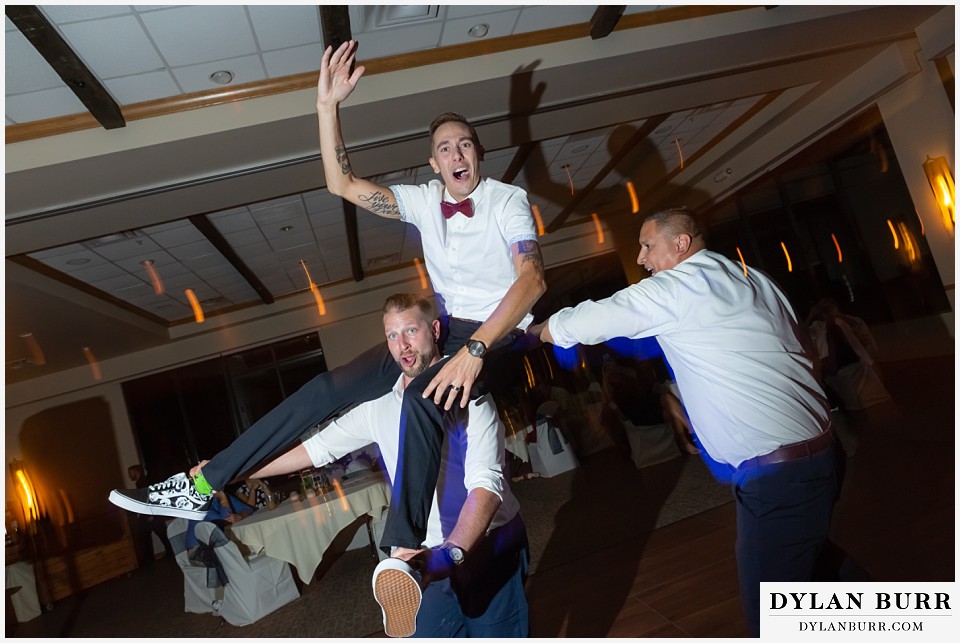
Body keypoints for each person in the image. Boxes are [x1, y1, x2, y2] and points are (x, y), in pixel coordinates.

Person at [109, 35, 543, 599]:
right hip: (450, 329)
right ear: (433, 163)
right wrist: (326, 106)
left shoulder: (505, 200)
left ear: (477, 155)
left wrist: (478, 350)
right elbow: (339, 182)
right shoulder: (421, 200)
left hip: (501, 335)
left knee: (418, 398)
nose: (456, 155)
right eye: (445, 148)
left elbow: (532, 280)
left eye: (465, 145)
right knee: (323, 390)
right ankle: (202, 482)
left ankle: (403, 551)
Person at [528, 207, 843, 636]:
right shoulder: (754, 279)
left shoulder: (677, 288)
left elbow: (589, 320)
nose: (640, 258)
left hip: (780, 478)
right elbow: (801, 350)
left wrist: (532, 332)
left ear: (680, 245)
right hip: (822, 454)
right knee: (815, 565)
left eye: (647, 245)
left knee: (770, 616)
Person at [251, 293, 529, 638]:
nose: (403, 346)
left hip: (486, 547)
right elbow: (316, 449)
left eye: (411, 331)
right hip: (419, 559)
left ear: (435, 329)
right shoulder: (380, 403)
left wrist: (449, 554)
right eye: (393, 336)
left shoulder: (469, 396)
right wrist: (238, 472)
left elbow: (486, 486)